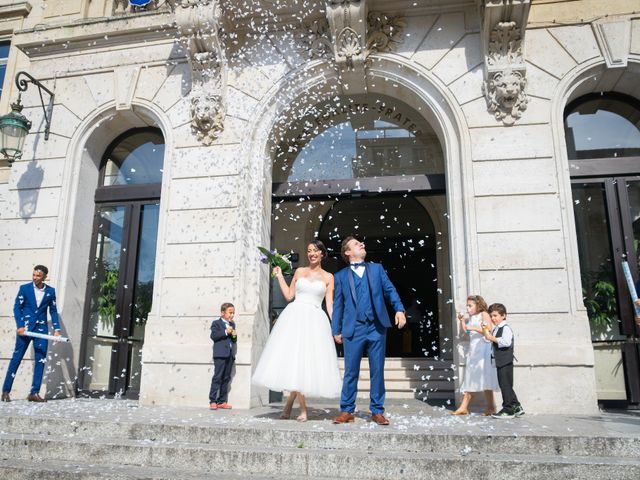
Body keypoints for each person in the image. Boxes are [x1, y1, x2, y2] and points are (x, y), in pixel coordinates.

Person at [252, 240, 341, 422]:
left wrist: (336, 327)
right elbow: (289, 296)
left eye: (315, 250)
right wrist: (278, 276)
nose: (312, 254)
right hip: (294, 317)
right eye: (309, 251)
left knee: (304, 362)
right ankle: (303, 409)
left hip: (316, 320)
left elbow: (329, 304)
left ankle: (287, 407)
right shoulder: (299, 271)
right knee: (295, 360)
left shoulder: (329, 277)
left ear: (322, 254)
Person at [332, 236, 406, 426]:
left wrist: (399, 309)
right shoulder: (340, 276)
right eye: (357, 244)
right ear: (348, 252)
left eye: (362, 243)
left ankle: (377, 410)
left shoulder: (376, 269)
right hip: (353, 329)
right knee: (350, 371)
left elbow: (390, 290)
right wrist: (336, 329)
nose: (362, 244)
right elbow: (338, 305)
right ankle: (347, 410)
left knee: (377, 370)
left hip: (376, 327)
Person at [2, 265, 61, 403]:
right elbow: (17, 307)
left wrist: (57, 330)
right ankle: (5, 391)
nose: (35, 277)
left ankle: (34, 393)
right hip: (25, 329)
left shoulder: (50, 292)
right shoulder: (25, 289)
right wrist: (20, 326)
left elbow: (53, 310)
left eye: (38, 276)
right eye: (34, 275)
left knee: (41, 360)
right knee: (16, 359)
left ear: (45, 277)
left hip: (41, 330)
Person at [451, 295, 499, 416]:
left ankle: (465, 407)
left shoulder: (484, 314)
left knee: (479, 377)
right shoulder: (472, 317)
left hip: (483, 350)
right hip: (474, 350)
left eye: (470, 305)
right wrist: (462, 321)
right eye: (467, 305)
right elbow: (467, 332)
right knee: (476, 377)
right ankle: (489, 407)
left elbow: (489, 329)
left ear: (478, 305)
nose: (468, 308)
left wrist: (474, 327)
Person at [482, 302, 524, 419]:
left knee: (505, 385)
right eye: (491, 316)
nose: (493, 318)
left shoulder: (505, 328)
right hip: (500, 361)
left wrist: (491, 338)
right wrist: (486, 332)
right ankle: (517, 407)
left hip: (505, 361)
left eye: (495, 315)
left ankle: (508, 409)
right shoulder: (496, 329)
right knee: (506, 385)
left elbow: (506, 342)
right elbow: (489, 340)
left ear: (503, 316)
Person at [209, 303, 237, 410]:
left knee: (226, 378)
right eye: (230, 312)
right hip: (220, 355)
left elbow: (233, 340)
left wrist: (234, 336)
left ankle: (222, 401)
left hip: (229, 355)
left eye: (233, 313)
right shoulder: (216, 323)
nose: (232, 315)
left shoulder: (232, 324)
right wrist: (225, 331)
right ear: (222, 313)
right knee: (217, 377)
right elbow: (214, 336)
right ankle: (212, 400)